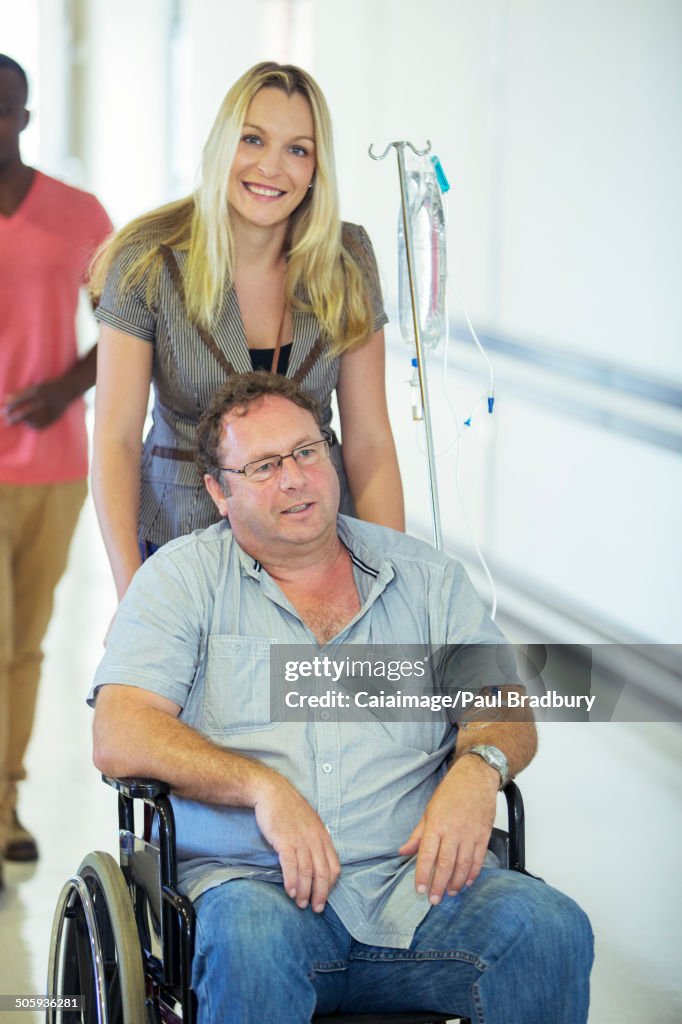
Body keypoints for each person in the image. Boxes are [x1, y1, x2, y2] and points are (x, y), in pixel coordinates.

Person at [90, 372, 593, 1024]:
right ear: (219, 490)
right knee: (249, 941)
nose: (294, 478)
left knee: (549, 927)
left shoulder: (426, 580)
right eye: (264, 465)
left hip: (419, 889)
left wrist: (481, 767)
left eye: (306, 451)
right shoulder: (180, 583)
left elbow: (502, 703)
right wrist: (261, 787)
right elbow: (120, 730)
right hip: (258, 891)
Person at [90, 60, 404, 602]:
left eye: (297, 149)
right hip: (182, 540)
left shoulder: (348, 258)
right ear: (221, 146)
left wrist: (396, 584)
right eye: (252, 139)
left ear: (316, 168)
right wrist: (131, 592)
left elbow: (370, 441)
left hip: (318, 548)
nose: (271, 167)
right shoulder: (148, 260)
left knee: (304, 689)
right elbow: (115, 439)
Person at [0, 54, 112, 883]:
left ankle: (6, 797)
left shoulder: (79, 214)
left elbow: (128, 322)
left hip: (54, 466)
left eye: (1, 111)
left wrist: (64, 388)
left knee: (26, 647)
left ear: (24, 119)